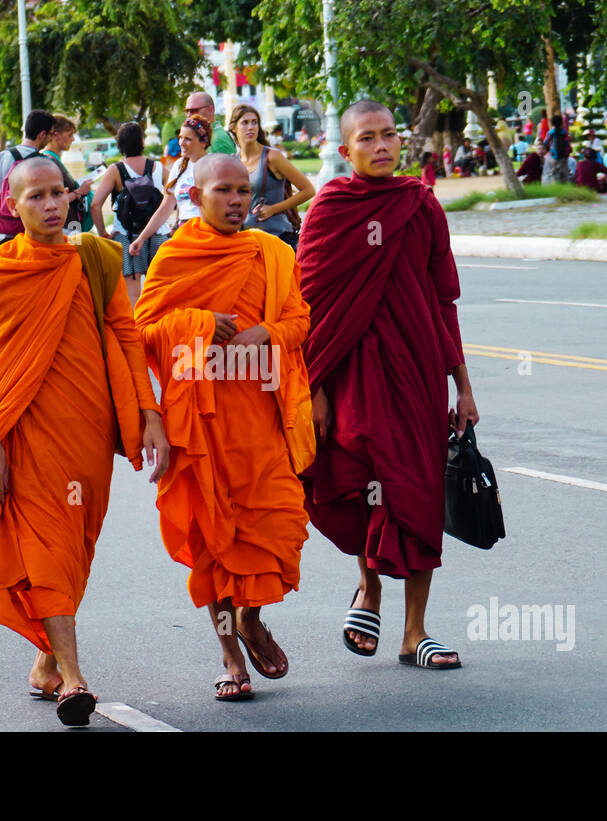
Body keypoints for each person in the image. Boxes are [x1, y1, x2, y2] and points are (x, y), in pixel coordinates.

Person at [0, 156, 169, 726]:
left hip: (87, 431)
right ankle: (74, 680)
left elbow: (127, 336)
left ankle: (47, 662)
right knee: (48, 545)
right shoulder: (0, 275)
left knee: (75, 547)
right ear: (11, 206)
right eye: (37, 197)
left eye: (59, 193)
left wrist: (149, 412)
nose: (52, 204)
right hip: (26, 435)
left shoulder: (96, 259)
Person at [297, 100, 479, 671]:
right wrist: (316, 387)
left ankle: (415, 630)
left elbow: (443, 299)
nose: (381, 146)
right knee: (361, 479)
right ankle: (369, 589)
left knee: (419, 490)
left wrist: (463, 387)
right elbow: (310, 306)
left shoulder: (419, 205)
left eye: (389, 136)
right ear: (346, 150)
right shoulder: (331, 208)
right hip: (353, 374)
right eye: (367, 138)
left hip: (418, 372)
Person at [133, 154, 313, 701]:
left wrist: (269, 334)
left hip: (260, 418)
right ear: (196, 197)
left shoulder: (272, 252)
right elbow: (141, 330)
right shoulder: (176, 257)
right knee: (212, 538)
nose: (235, 201)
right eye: (223, 191)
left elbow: (300, 319)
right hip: (200, 425)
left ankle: (253, 617)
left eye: (242, 191)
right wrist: (202, 323)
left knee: (278, 524)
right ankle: (232, 654)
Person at [91, 121, 170, 307]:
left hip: (126, 237)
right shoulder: (158, 167)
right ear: (142, 141)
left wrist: (103, 233)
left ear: (119, 144)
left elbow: (95, 205)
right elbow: (174, 196)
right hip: (158, 234)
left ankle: (136, 333)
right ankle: (156, 330)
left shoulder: (115, 170)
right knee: (159, 290)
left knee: (132, 293)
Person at [230, 103, 315, 251]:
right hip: (247, 241)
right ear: (233, 128)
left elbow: (308, 190)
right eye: (245, 123)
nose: (250, 127)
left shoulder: (272, 156)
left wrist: (273, 209)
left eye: (254, 122)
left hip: (278, 238)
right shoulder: (233, 161)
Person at [129, 114, 212, 257]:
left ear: (203, 142)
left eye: (188, 139)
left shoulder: (215, 165)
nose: (181, 143)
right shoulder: (179, 166)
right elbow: (165, 208)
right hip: (184, 234)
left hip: (208, 236)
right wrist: (142, 238)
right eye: (181, 137)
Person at [0, 109, 59, 244]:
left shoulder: (1, 157)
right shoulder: (45, 163)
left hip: (4, 230)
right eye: (51, 134)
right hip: (30, 232)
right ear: (42, 134)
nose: (52, 138)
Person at [41, 115, 94, 232]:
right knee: (74, 249)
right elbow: (52, 199)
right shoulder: (49, 162)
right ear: (55, 135)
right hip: (66, 227)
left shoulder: (52, 159)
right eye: (70, 135)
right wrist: (79, 192)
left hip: (71, 224)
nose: (73, 139)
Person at [546, 114, 571, 184]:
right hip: (563, 157)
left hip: (553, 156)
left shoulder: (550, 133)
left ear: (552, 123)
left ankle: (556, 188)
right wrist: (567, 154)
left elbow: (546, 142)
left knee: (554, 174)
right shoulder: (564, 132)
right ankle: (564, 190)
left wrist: (548, 150)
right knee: (564, 175)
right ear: (561, 122)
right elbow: (567, 144)